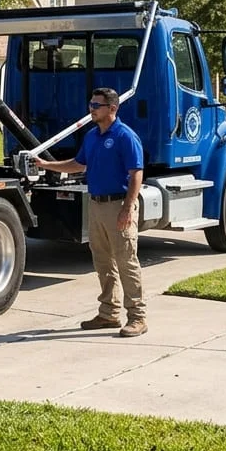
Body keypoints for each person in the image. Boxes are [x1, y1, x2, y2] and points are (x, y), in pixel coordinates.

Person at [34, 87, 147, 338]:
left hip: (119, 205)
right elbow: (78, 164)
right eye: (91, 104)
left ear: (113, 108)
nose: (91, 109)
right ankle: (109, 314)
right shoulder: (92, 136)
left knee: (126, 262)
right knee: (103, 261)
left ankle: (137, 317)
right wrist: (46, 164)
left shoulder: (125, 136)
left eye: (97, 105)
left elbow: (136, 173)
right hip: (96, 204)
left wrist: (128, 208)